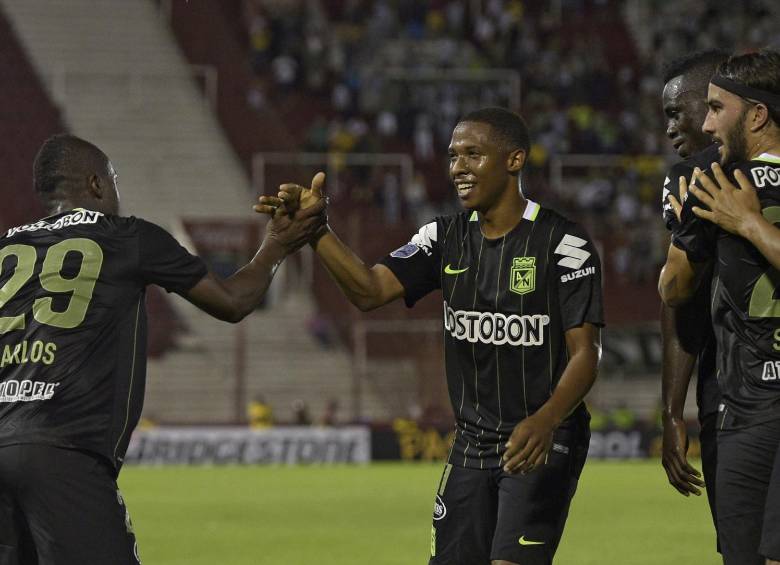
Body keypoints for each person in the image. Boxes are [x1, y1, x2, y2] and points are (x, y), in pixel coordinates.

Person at [261, 107, 603, 565]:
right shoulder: (443, 237)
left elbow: (587, 353)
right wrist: (315, 231)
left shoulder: (564, 244)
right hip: (472, 443)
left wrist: (546, 420)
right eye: (453, 155)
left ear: (514, 160)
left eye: (473, 154)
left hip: (540, 437)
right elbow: (369, 290)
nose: (458, 167)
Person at [0, 134, 326, 565]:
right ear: (96, 184)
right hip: (65, 450)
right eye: (114, 179)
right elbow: (232, 302)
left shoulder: (6, 247)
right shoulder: (128, 237)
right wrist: (277, 244)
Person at [659, 49, 780, 565]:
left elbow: (671, 289)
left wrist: (747, 224)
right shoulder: (705, 180)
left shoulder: (709, 182)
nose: (706, 125)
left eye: (716, 108)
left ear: (755, 114)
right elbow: (675, 294)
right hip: (740, 399)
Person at [657, 50, 729, 541]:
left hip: (735, 394)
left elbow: (675, 293)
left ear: (712, 105)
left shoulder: (690, 181)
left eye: (674, 113)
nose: (669, 129)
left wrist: (671, 412)